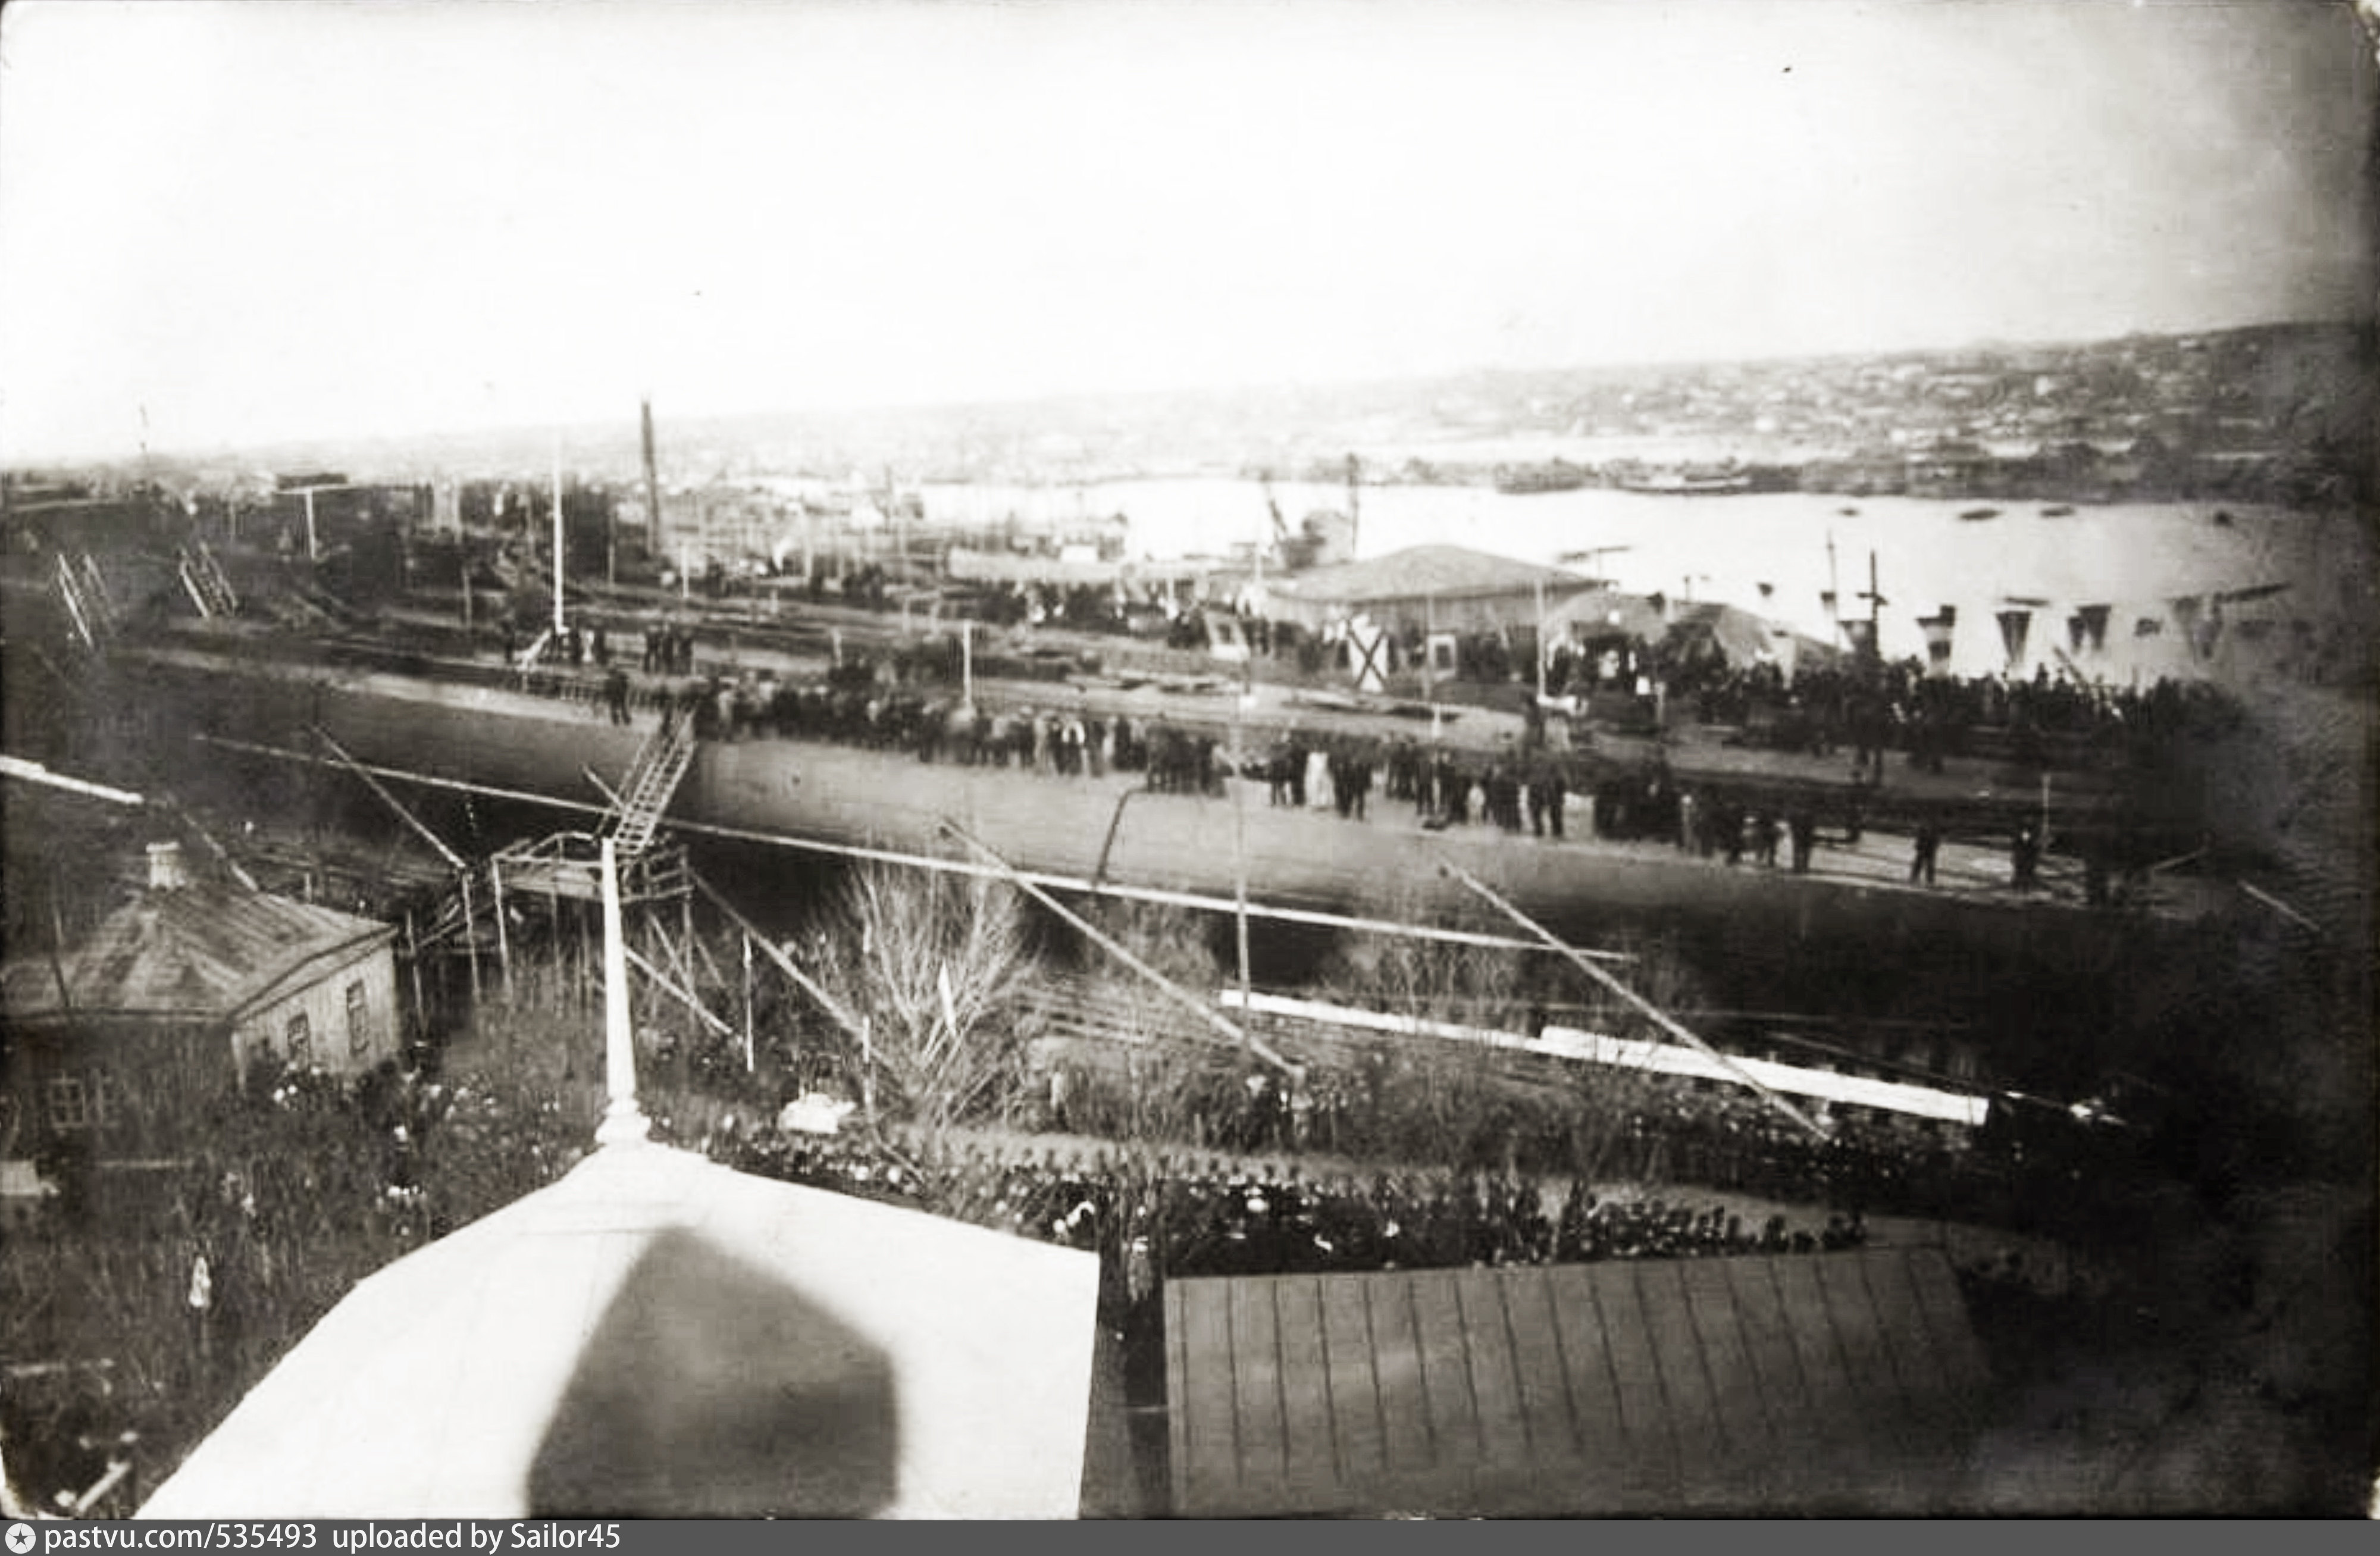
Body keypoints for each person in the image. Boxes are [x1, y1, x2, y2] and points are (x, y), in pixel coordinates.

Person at [1911, 819, 1941, 885]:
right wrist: (1919, 845)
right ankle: (1916, 878)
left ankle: (1929, 880)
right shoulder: (1925, 829)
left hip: (1929, 847)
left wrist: (1935, 845)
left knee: (1928, 865)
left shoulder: (1934, 828)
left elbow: (1936, 839)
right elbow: (1920, 837)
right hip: (1924, 847)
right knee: (1921, 864)